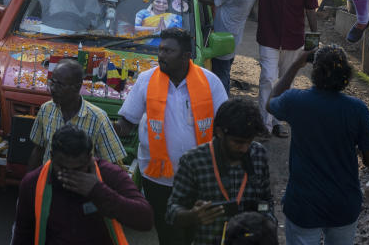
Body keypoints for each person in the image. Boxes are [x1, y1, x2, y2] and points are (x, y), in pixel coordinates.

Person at [115, 28, 228, 245]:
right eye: (160, 49)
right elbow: (128, 122)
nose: (161, 55)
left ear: (186, 56)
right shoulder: (146, 80)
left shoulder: (210, 82)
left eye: (168, 51)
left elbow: (226, 124)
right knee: (168, 234)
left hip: (201, 178)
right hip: (157, 178)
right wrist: (104, 128)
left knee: (198, 233)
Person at [267, 45, 369, 245]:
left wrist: (295, 65)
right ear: (346, 73)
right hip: (343, 203)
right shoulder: (357, 109)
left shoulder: (295, 101)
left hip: (304, 204)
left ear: (314, 71)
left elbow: (271, 101)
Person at [12, 125, 154, 245]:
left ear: (89, 159)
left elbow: (145, 219)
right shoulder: (32, 183)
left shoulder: (110, 175)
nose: (70, 175)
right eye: (62, 168)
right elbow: (23, 235)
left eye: (78, 169)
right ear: (51, 156)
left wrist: (97, 190)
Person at [167, 98, 274, 245]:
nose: (244, 149)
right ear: (219, 132)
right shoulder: (193, 160)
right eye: (238, 142)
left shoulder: (258, 154)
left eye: (249, 142)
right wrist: (192, 216)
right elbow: (172, 211)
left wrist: (266, 221)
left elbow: (266, 200)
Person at [256, 0, 318, 138]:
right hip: (269, 38)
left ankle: (277, 122)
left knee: (286, 82)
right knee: (267, 79)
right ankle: (263, 126)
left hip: (294, 40)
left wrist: (313, 40)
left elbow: (310, 9)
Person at [28, 59, 127, 167]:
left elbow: (113, 164)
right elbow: (38, 151)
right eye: (52, 82)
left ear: (77, 87)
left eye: (60, 85)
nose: (53, 89)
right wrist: (29, 182)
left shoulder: (98, 118)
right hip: (50, 181)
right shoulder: (45, 110)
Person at [203, 0, 262, 94]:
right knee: (226, 70)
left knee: (220, 74)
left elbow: (212, 0)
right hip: (234, 37)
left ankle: (222, 103)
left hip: (221, 37)